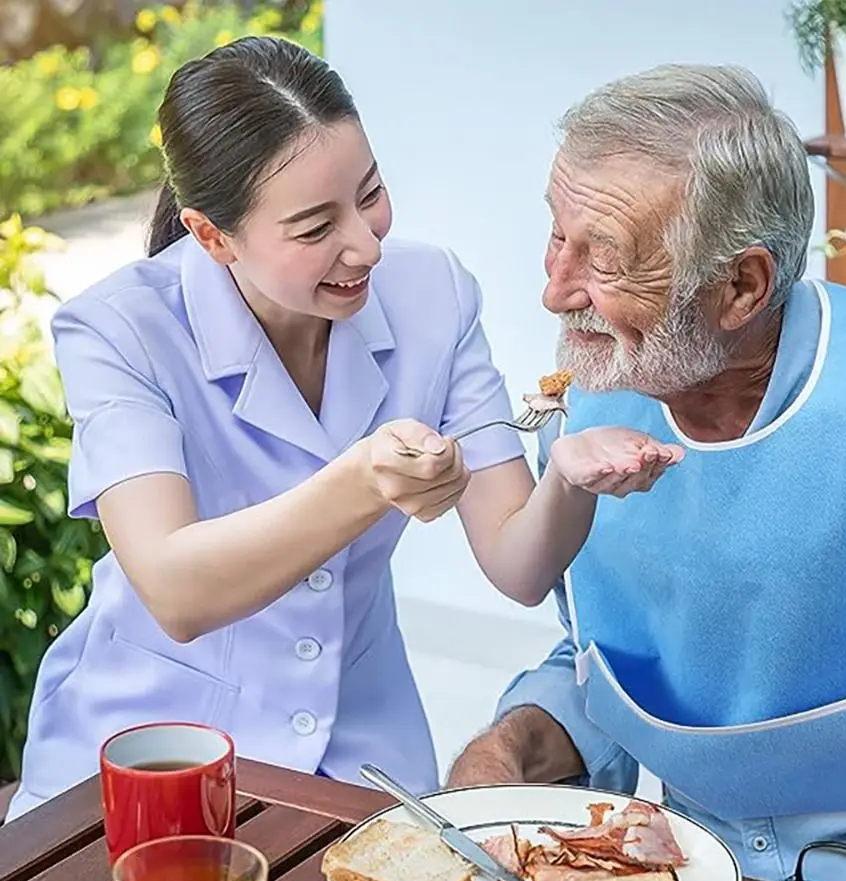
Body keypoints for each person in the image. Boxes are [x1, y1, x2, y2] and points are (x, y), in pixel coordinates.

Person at [4, 38, 683, 822]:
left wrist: (568, 478)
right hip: (152, 747)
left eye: (370, 194)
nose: (365, 244)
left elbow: (518, 564)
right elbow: (175, 591)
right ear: (212, 235)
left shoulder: (435, 293)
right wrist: (361, 482)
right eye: (314, 226)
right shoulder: (119, 328)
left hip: (360, 756)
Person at [447, 64, 846, 881]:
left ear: (742, 286)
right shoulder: (589, 409)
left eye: (604, 260)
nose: (553, 291)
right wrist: (517, 739)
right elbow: (604, 647)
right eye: (558, 237)